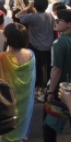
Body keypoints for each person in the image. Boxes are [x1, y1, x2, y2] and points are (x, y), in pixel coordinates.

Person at [0, 23, 35, 142]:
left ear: (7, 38)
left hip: (7, 102)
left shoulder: (1, 57)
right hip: (25, 102)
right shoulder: (31, 55)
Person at [16, 0, 54, 102]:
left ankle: (37, 89)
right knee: (46, 69)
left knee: (36, 68)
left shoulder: (33, 16)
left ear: (35, 5)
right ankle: (44, 90)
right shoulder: (50, 16)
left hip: (36, 46)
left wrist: (27, 7)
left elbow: (18, 16)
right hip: (48, 46)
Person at [44, 9, 71, 142]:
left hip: (61, 88)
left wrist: (51, 91)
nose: (56, 22)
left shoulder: (59, 43)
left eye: (59, 20)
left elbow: (56, 69)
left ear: (69, 24)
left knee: (50, 122)